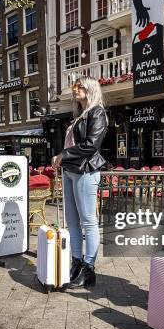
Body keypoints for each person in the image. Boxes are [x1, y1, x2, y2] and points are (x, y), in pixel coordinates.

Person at [52, 76, 108, 289]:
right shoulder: (79, 115)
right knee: (72, 221)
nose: (75, 89)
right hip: (70, 170)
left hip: (85, 171)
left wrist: (63, 154)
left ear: (90, 89)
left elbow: (91, 145)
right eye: (74, 86)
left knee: (88, 221)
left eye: (80, 86)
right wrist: (61, 156)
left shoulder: (97, 112)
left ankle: (88, 268)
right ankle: (76, 263)